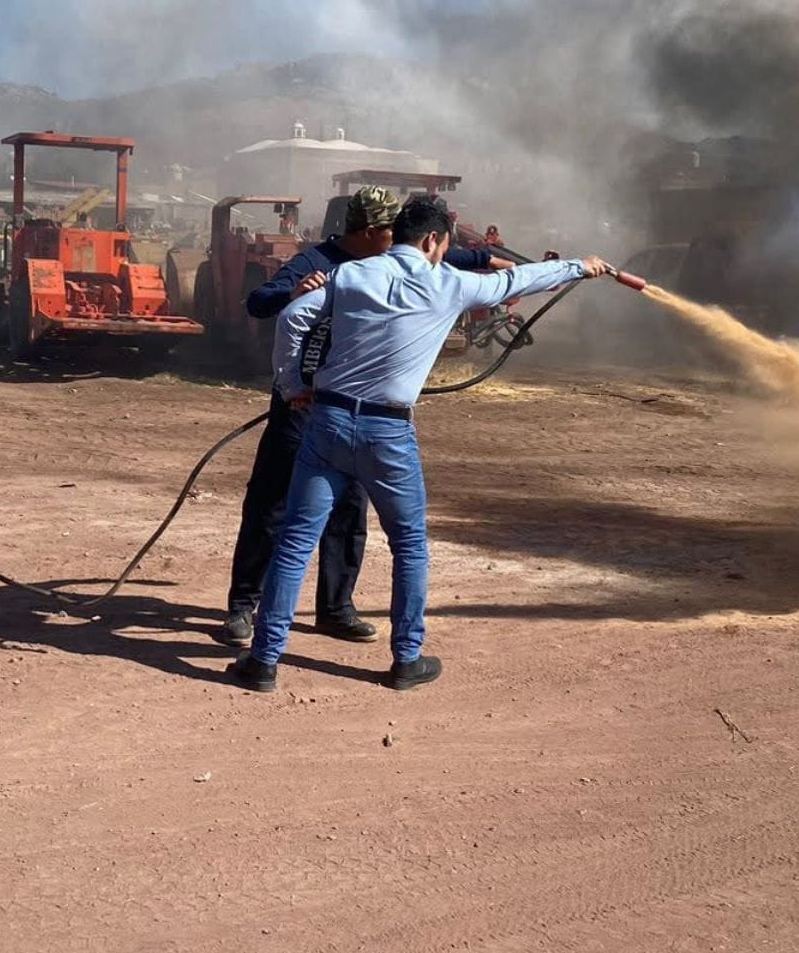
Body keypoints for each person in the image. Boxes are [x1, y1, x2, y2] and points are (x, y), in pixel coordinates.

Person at [227, 197, 608, 691]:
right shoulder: (448, 284)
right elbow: (516, 282)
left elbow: (293, 316)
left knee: (297, 540)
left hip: (329, 423)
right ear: (432, 241)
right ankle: (406, 659)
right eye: (445, 245)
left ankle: (263, 661)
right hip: (388, 433)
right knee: (408, 545)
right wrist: (581, 267)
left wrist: (293, 385)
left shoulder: (351, 275)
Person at [218, 187, 514, 648]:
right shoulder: (315, 264)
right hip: (300, 409)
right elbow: (260, 303)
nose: (400, 240)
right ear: (373, 232)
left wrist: (491, 261)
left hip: (344, 413)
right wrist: (293, 293)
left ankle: (335, 608)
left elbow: (444, 253)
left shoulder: (387, 261)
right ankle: (242, 608)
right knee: (273, 507)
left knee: (349, 509)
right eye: (391, 231)